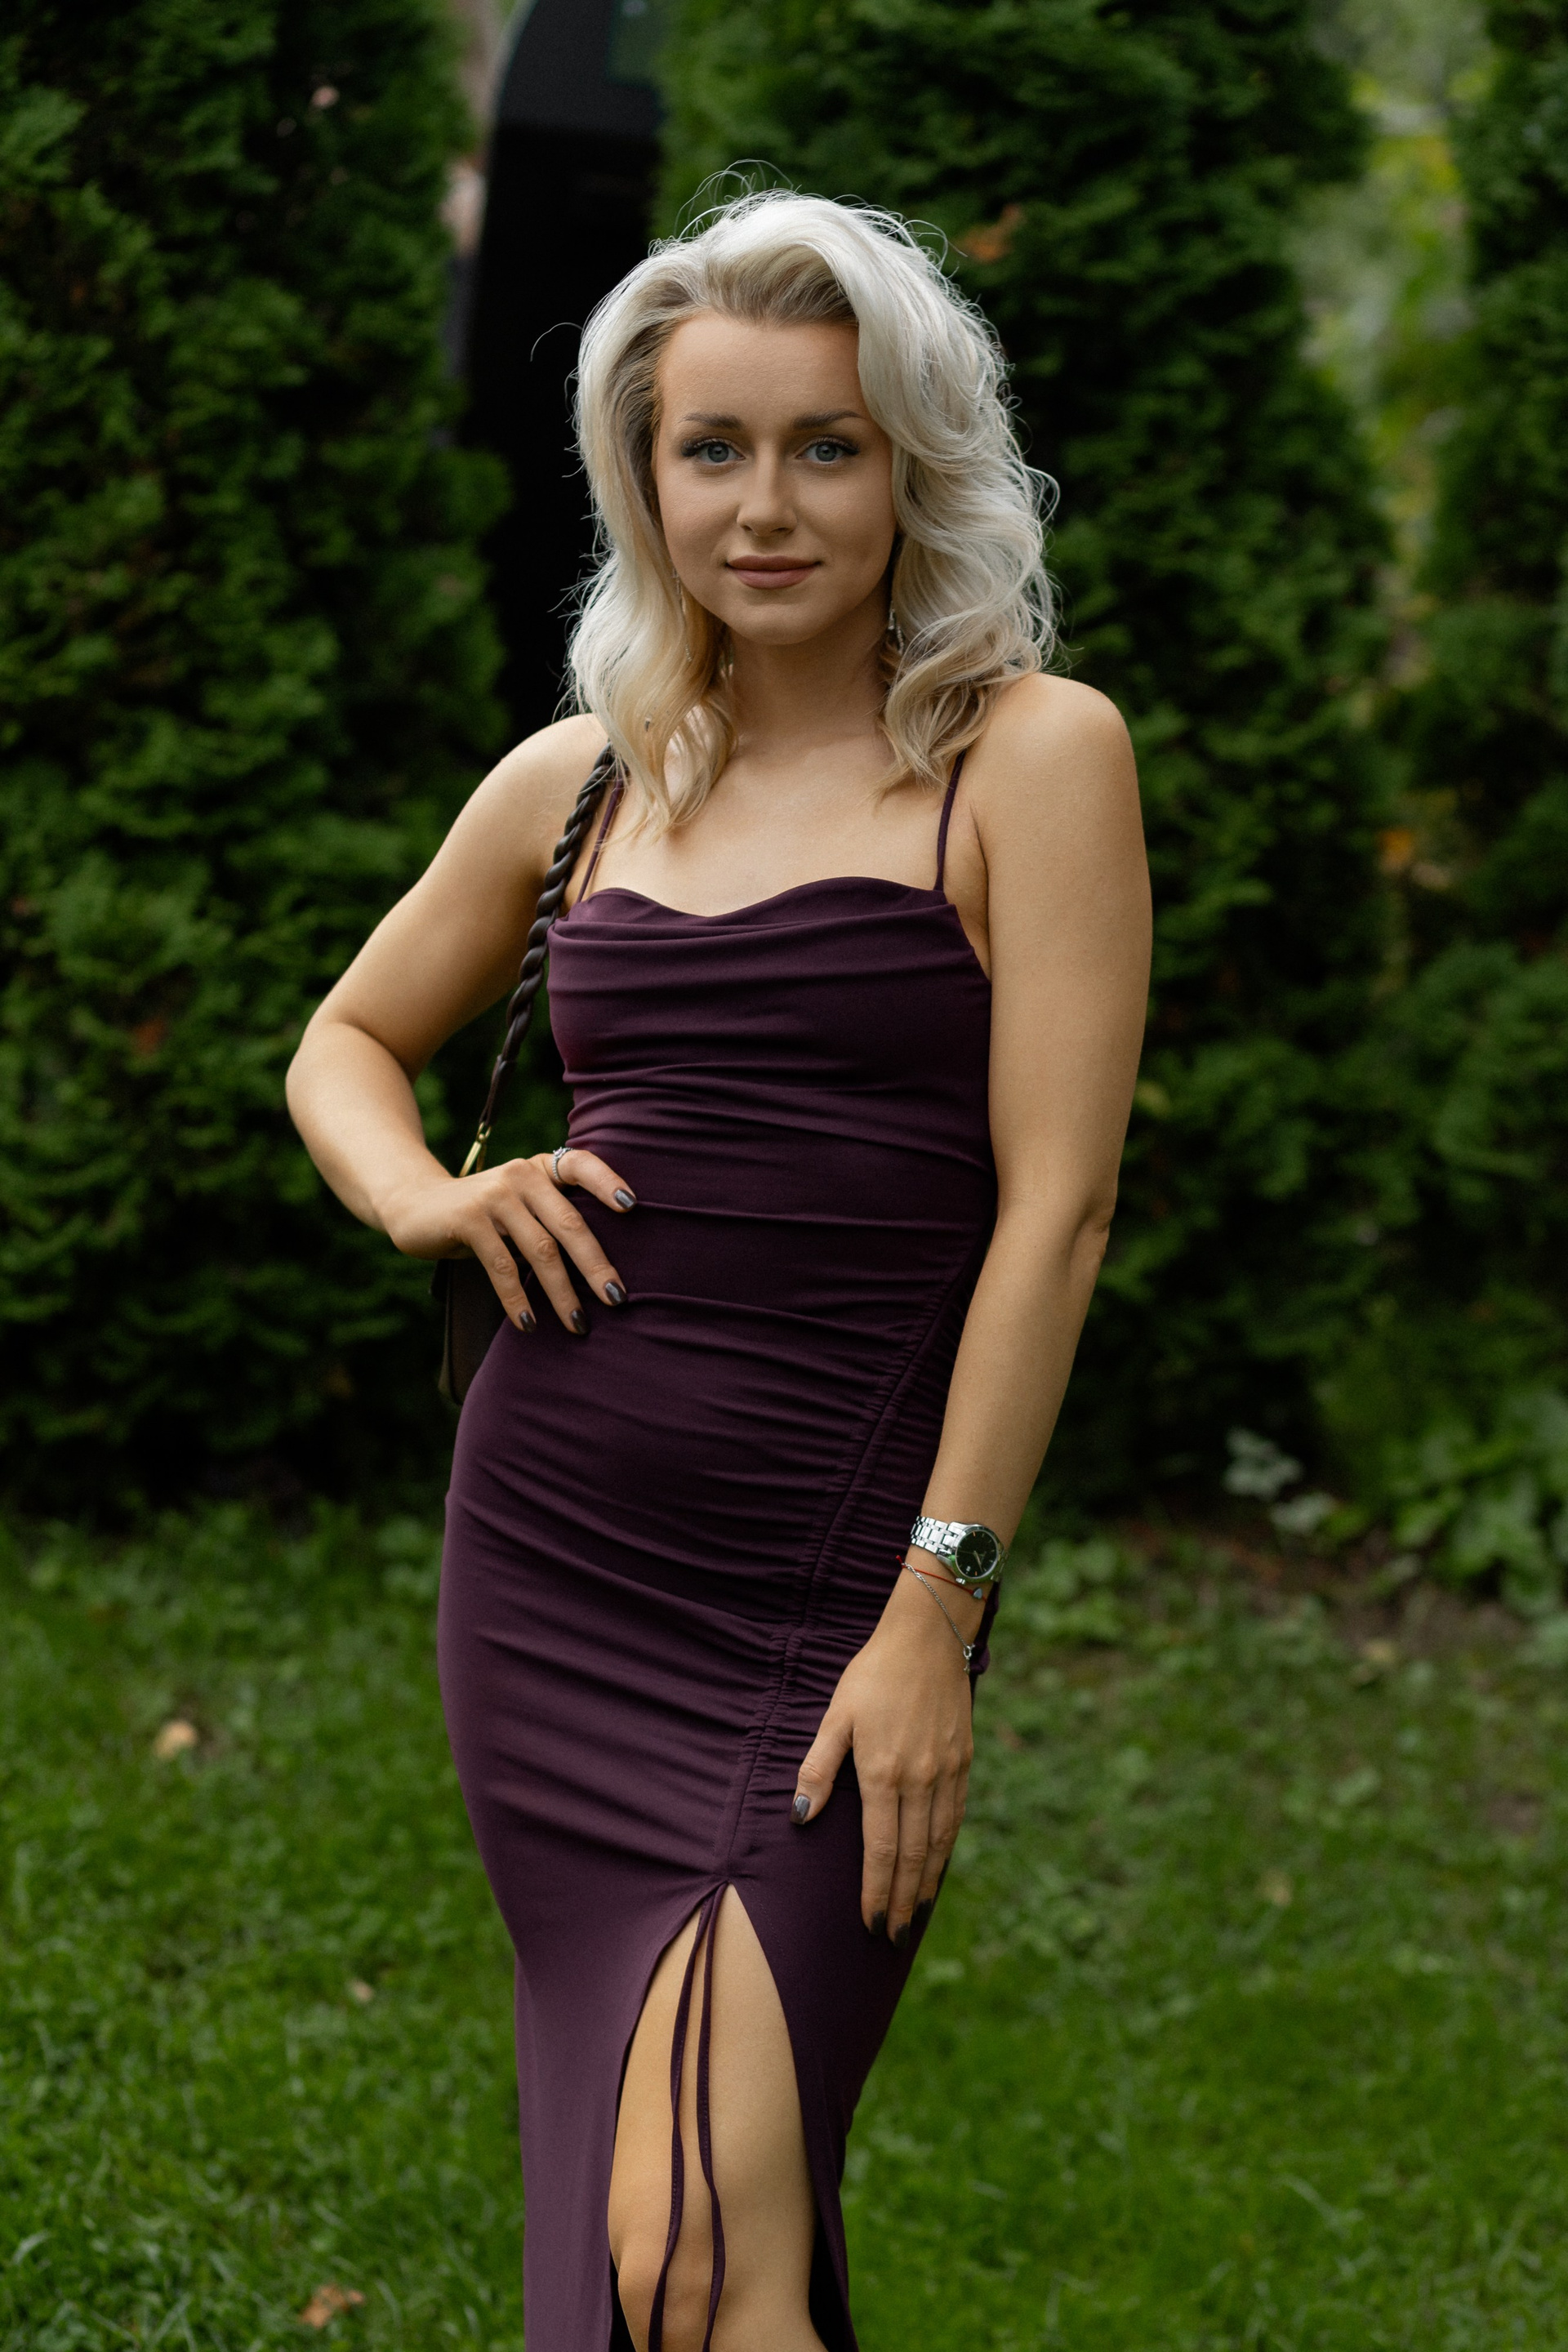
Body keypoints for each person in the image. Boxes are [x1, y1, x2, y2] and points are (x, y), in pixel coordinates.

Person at [286, 189, 1150, 2352]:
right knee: (666, 2244)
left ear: (913, 465)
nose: (766, 507)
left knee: (690, 2233)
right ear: (642, 477)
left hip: (841, 1581)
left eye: (826, 448)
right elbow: (346, 1041)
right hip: (556, 1566)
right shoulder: (582, 784)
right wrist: (426, 1199)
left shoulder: (1030, 758)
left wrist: (939, 1608)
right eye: (713, 450)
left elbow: (1057, 1211)